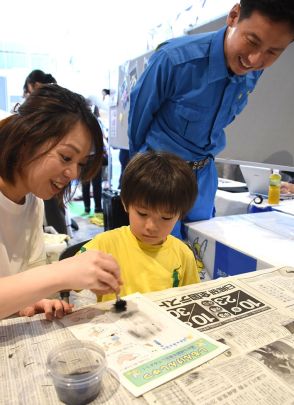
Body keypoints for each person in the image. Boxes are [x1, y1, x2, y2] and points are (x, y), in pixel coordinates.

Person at [128, 0, 294, 239]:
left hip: (204, 177)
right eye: (252, 41)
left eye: (272, 52)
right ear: (234, 15)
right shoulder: (173, 60)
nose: (255, 60)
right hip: (160, 177)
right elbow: (137, 127)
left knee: (199, 252)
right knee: (157, 256)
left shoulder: (253, 71)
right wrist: (142, 183)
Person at [0, 84, 121, 319]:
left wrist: (33, 301)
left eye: (80, 164)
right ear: (28, 138)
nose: (73, 174)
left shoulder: (33, 203)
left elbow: (26, 278)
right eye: (66, 157)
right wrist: (61, 273)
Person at [79, 150, 200, 303]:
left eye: (166, 217)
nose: (151, 226)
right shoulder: (105, 244)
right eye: (142, 213)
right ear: (125, 203)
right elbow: (66, 278)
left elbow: (192, 298)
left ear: (180, 215)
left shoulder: (183, 255)